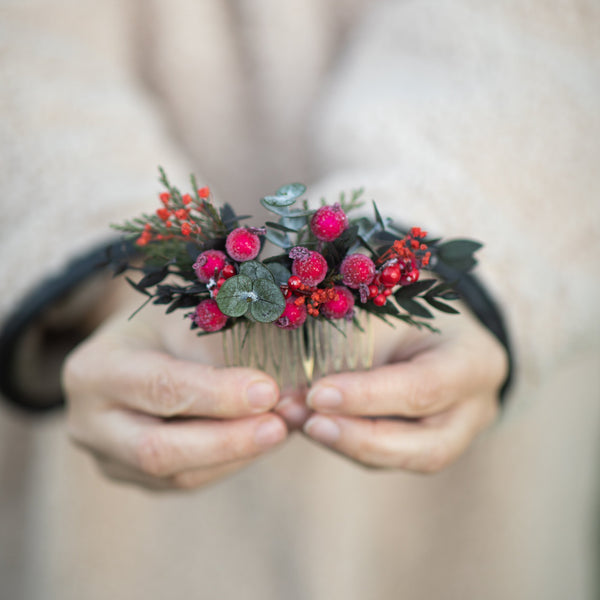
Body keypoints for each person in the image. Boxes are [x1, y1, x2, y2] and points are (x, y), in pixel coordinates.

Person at [1, 1, 599, 599]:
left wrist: (441, 231)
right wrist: (109, 277)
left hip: (454, 490)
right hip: (99, 457)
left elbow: (552, 34)